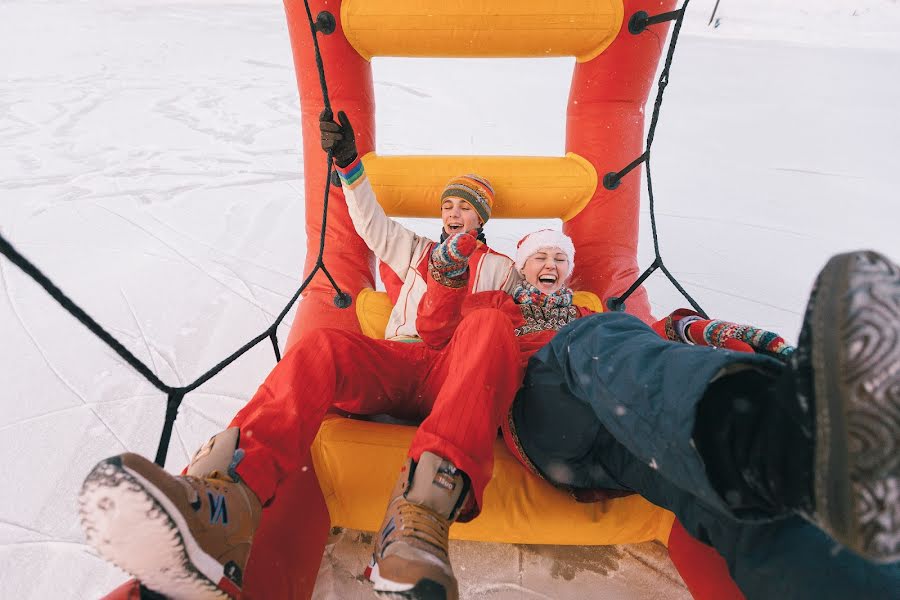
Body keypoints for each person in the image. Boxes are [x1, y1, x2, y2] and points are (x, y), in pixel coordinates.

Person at [76, 113, 524, 600]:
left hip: (456, 370)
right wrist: (349, 164)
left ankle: (421, 517)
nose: (454, 214)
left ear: (482, 218)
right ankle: (228, 493)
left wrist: (470, 284)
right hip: (399, 359)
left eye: (465, 208)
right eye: (449, 206)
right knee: (322, 344)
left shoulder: (502, 267)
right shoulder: (415, 249)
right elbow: (370, 223)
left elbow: (510, 328)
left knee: (490, 324)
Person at [419, 228, 899, 599]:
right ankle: (774, 437)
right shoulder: (500, 307)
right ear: (523, 267)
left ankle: (855, 573)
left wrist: (719, 333)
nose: (551, 263)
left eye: (559, 257)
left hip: (622, 442)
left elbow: (655, 340)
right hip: (542, 419)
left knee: (723, 497)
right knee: (594, 339)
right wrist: (446, 268)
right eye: (540, 256)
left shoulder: (590, 315)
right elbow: (437, 333)